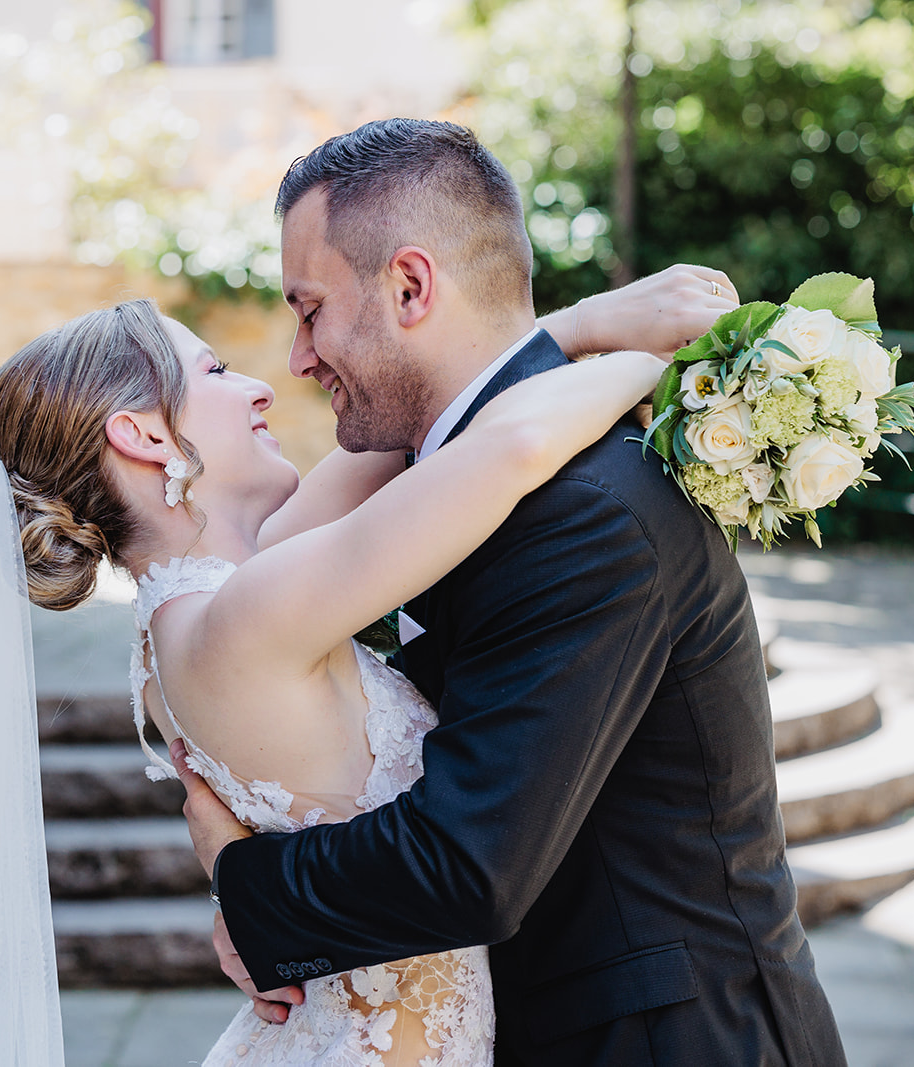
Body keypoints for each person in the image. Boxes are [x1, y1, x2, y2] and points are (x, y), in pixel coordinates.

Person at [171, 118, 849, 1065]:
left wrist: (249, 885)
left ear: (411, 286)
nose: (297, 357)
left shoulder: (583, 508)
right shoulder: (450, 484)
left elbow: (469, 860)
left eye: (309, 308)